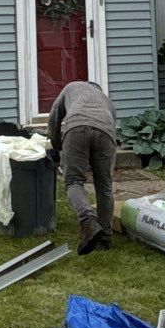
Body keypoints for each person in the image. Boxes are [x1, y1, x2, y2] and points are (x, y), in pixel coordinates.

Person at [46, 79, 115, 255]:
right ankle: (105, 238)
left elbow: (55, 117)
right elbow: (112, 125)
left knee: (73, 181)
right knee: (104, 185)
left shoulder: (71, 87)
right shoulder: (105, 99)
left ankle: (88, 220)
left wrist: (56, 144)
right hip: (106, 133)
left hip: (77, 128)